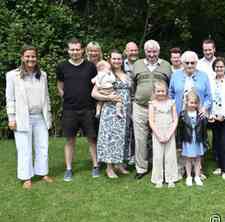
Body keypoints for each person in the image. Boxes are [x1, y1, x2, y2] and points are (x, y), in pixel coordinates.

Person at [6, 45, 53, 189]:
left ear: (36, 58)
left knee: (43, 146)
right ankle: (26, 177)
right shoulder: (12, 75)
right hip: (22, 117)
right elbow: (10, 99)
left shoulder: (43, 75)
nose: (30, 59)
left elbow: (46, 97)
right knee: (24, 148)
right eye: (27, 56)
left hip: (40, 116)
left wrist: (49, 115)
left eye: (33, 56)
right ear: (22, 57)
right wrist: (11, 118)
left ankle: (42, 172)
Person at [56, 38, 99, 181]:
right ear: (68, 51)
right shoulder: (62, 67)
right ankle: (68, 169)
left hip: (88, 109)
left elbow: (96, 87)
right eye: (72, 49)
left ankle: (95, 166)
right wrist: (68, 98)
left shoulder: (90, 67)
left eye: (77, 49)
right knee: (70, 140)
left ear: (82, 50)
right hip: (70, 110)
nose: (75, 52)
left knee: (92, 139)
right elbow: (60, 87)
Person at [169, 51, 212, 179]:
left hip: (197, 115)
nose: (189, 65)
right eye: (186, 62)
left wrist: (204, 108)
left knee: (198, 140)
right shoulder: (175, 75)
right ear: (182, 63)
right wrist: (171, 111)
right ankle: (182, 169)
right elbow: (170, 94)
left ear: (196, 63)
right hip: (180, 115)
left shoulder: (203, 76)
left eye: (192, 62)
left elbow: (209, 96)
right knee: (182, 141)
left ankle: (198, 170)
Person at [132, 39, 172, 179]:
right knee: (140, 138)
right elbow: (132, 85)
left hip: (159, 108)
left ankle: (159, 166)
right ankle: (141, 168)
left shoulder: (166, 65)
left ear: (158, 52)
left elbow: (170, 87)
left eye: (154, 51)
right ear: (145, 51)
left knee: (160, 137)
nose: (151, 54)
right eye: (149, 51)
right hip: (140, 107)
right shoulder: (137, 64)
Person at [92, 50, 131, 178]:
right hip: (110, 110)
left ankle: (118, 164)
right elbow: (94, 93)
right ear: (110, 60)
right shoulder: (106, 74)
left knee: (121, 137)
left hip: (124, 111)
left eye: (119, 59)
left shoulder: (125, 74)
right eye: (114, 59)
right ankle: (109, 168)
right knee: (110, 138)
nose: (117, 61)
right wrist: (110, 98)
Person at [148, 80, 180, 188]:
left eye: (163, 91)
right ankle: (158, 179)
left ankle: (171, 178)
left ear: (166, 91)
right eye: (158, 91)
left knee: (170, 155)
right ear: (154, 92)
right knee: (157, 156)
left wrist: (170, 133)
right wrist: (158, 135)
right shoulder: (152, 104)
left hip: (169, 131)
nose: (161, 93)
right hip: (157, 132)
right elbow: (151, 121)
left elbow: (175, 119)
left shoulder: (172, 102)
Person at [179, 90, 208, 186]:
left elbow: (204, 129)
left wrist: (205, 141)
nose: (193, 105)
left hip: (198, 140)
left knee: (198, 158)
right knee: (188, 159)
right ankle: (188, 177)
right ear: (186, 102)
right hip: (188, 140)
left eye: (195, 103)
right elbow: (180, 129)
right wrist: (179, 142)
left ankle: (197, 176)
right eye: (191, 102)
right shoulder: (183, 115)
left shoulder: (200, 115)